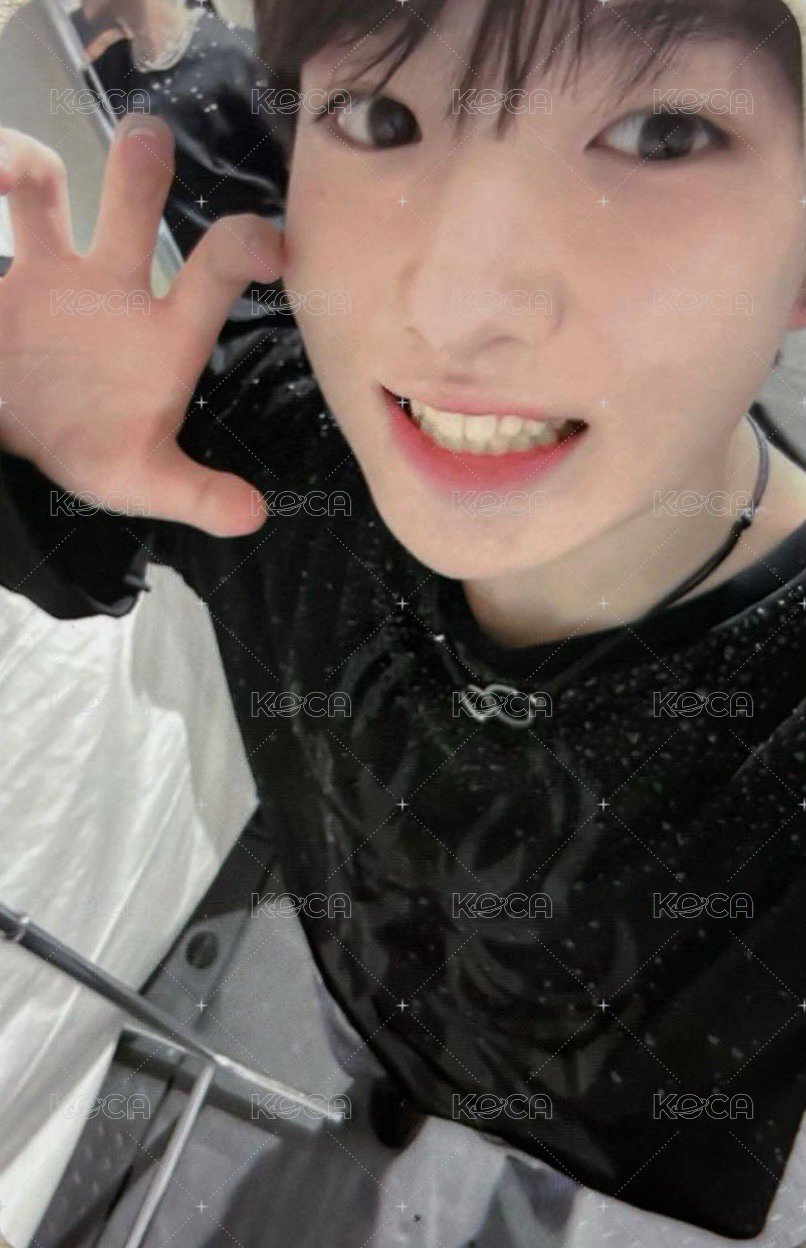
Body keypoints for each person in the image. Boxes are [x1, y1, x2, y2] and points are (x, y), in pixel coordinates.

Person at [1, 0, 806, 1238]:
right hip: (365, 983)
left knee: (533, 1186)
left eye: (660, 134)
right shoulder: (271, 439)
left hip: (601, 1124)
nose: (453, 307)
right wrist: (33, 456)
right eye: (381, 116)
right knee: (375, 1066)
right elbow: (64, 549)